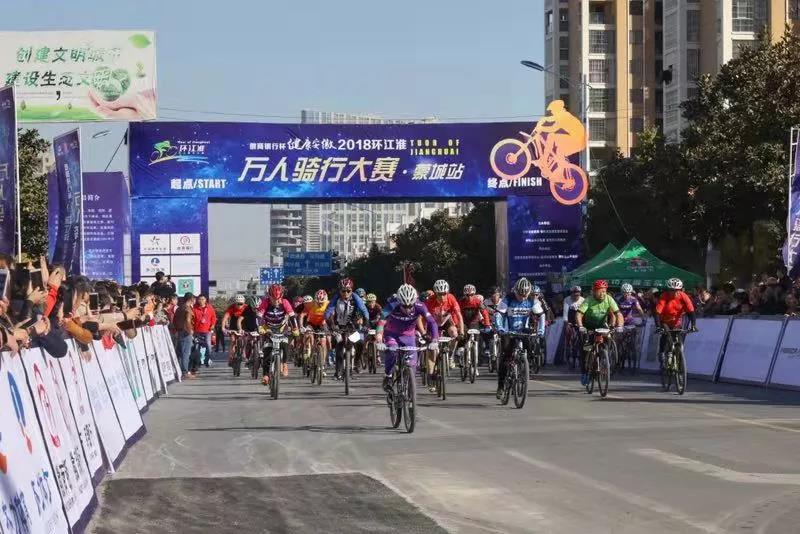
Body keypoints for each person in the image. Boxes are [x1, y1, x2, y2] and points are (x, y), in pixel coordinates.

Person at [376, 284, 439, 393]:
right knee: (392, 351)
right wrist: (379, 339)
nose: (407, 309)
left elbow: (432, 322)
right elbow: (381, 321)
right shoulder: (392, 305)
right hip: (392, 335)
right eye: (404, 306)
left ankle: (409, 391)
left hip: (409, 337)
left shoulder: (420, 305)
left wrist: (434, 340)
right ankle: (388, 376)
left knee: (412, 365)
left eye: (410, 306)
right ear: (399, 302)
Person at [495, 278, 545, 399]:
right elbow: (498, 314)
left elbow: (541, 315)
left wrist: (541, 330)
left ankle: (525, 367)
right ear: (515, 291)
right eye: (520, 295)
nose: (522, 297)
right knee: (505, 357)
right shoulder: (508, 299)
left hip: (524, 330)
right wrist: (500, 328)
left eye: (525, 295)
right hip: (508, 330)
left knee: (530, 348)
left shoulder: (532, 300)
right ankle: (501, 386)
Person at [575, 280, 624, 386]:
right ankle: (585, 371)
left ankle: (604, 358)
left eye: (604, 291)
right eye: (600, 291)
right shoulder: (588, 300)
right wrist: (580, 326)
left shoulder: (609, 299)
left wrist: (620, 326)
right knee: (585, 349)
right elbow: (579, 314)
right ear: (594, 291)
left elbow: (618, 314)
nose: (602, 294)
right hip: (588, 327)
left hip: (601, 325)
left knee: (609, 337)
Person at [325, 278, 370, 380]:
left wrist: (366, 323)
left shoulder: (355, 298)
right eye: (343, 291)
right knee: (339, 345)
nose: (346, 293)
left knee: (360, 342)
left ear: (352, 290)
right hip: (338, 326)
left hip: (352, 326)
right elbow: (328, 312)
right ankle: (338, 372)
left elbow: (364, 311)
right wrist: (331, 325)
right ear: (339, 290)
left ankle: (356, 363)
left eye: (348, 291)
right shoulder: (336, 298)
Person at [424, 279, 464, 385]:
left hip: (446, 322)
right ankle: (431, 375)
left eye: (444, 294)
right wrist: (424, 332)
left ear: (447, 292)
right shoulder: (430, 301)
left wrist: (461, 332)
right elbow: (423, 318)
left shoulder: (451, 298)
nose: (442, 297)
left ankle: (450, 356)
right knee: (433, 351)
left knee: (454, 333)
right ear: (435, 293)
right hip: (434, 324)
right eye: (439, 294)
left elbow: (459, 316)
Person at [256, 284, 298, 380]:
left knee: (284, 344)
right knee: (267, 350)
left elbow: (292, 316)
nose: (276, 301)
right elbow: (258, 317)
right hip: (268, 327)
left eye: (278, 299)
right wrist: (260, 327)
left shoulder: (285, 302)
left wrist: (295, 328)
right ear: (269, 296)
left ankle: (284, 364)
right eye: (273, 299)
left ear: (281, 296)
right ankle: (266, 375)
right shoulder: (265, 302)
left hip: (282, 327)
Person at [653, 278, 698, 365]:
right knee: (665, 335)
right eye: (672, 290)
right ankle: (661, 352)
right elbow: (657, 313)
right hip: (664, 320)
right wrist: (658, 326)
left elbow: (691, 312)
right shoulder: (664, 296)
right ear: (669, 290)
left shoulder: (683, 296)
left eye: (678, 290)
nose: (675, 292)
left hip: (677, 321)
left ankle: (679, 360)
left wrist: (693, 325)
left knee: (678, 339)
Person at [458, 284, 491, 373]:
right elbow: (456, 313)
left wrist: (487, 325)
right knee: (463, 335)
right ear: (464, 295)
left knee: (476, 341)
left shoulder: (478, 301)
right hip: (464, 322)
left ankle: (475, 363)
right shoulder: (461, 302)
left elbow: (484, 313)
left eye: (472, 295)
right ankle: (461, 350)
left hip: (474, 322)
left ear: (474, 294)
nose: (469, 297)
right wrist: (458, 324)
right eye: (467, 295)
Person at [300, 290, 330, 375]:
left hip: (322, 324)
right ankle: (308, 353)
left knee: (323, 342)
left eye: (322, 303)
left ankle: (322, 364)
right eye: (318, 302)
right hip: (311, 323)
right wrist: (301, 326)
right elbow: (302, 315)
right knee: (309, 335)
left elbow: (333, 314)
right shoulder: (311, 304)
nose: (320, 304)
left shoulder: (328, 304)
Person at [173, 293, 196, 378]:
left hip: (179, 331)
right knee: (186, 353)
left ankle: (177, 371)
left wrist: (176, 329)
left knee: (179, 352)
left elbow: (174, 320)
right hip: (186, 332)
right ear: (191, 299)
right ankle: (185, 372)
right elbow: (188, 320)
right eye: (194, 299)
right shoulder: (188, 309)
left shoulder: (179, 308)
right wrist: (190, 330)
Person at [192, 294, 217, 367]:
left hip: (207, 330)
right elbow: (192, 319)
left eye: (203, 299)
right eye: (199, 299)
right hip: (197, 331)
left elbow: (213, 317)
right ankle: (198, 361)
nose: (201, 301)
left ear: (205, 300)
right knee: (196, 347)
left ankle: (207, 359)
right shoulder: (194, 308)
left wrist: (212, 325)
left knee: (208, 346)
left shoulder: (209, 308)